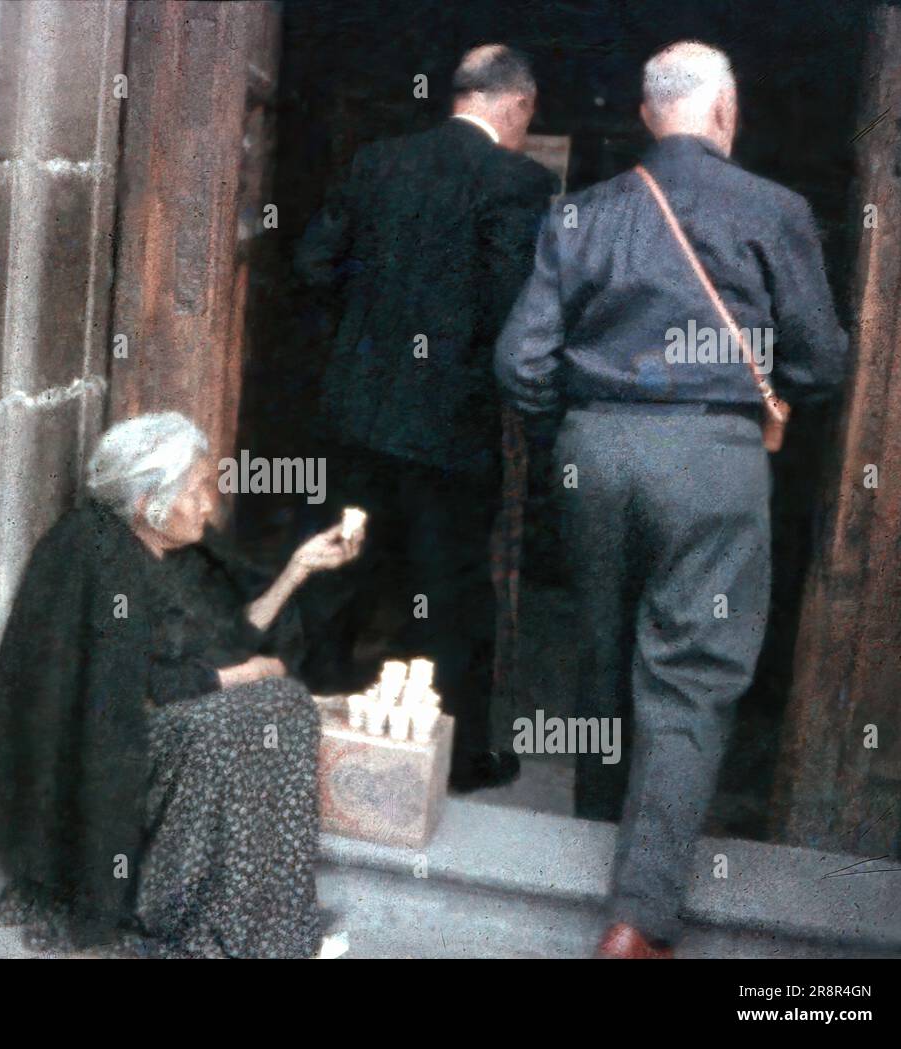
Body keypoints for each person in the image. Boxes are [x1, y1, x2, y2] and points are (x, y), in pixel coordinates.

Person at [495, 41, 847, 957]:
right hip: (711, 456)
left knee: (603, 649)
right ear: (725, 111)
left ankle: (593, 846)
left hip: (594, 450)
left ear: (650, 115)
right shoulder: (776, 210)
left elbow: (520, 361)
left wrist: (568, 435)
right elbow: (818, 363)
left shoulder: (579, 215)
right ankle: (639, 917)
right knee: (689, 673)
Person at [0, 411, 362, 959]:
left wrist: (298, 569)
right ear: (146, 502)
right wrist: (239, 678)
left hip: (153, 724)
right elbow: (129, 692)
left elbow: (230, 637)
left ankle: (258, 919)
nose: (208, 503)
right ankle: (210, 916)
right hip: (109, 755)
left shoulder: (173, 553)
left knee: (279, 706)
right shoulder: (99, 559)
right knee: (275, 704)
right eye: (198, 490)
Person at [295, 44, 558, 792]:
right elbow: (515, 313)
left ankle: (305, 738)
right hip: (449, 432)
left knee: (338, 574)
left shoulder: (379, 161)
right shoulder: (521, 181)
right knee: (448, 592)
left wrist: (367, 332)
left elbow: (314, 265)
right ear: (518, 105)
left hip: (354, 416)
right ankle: (454, 760)